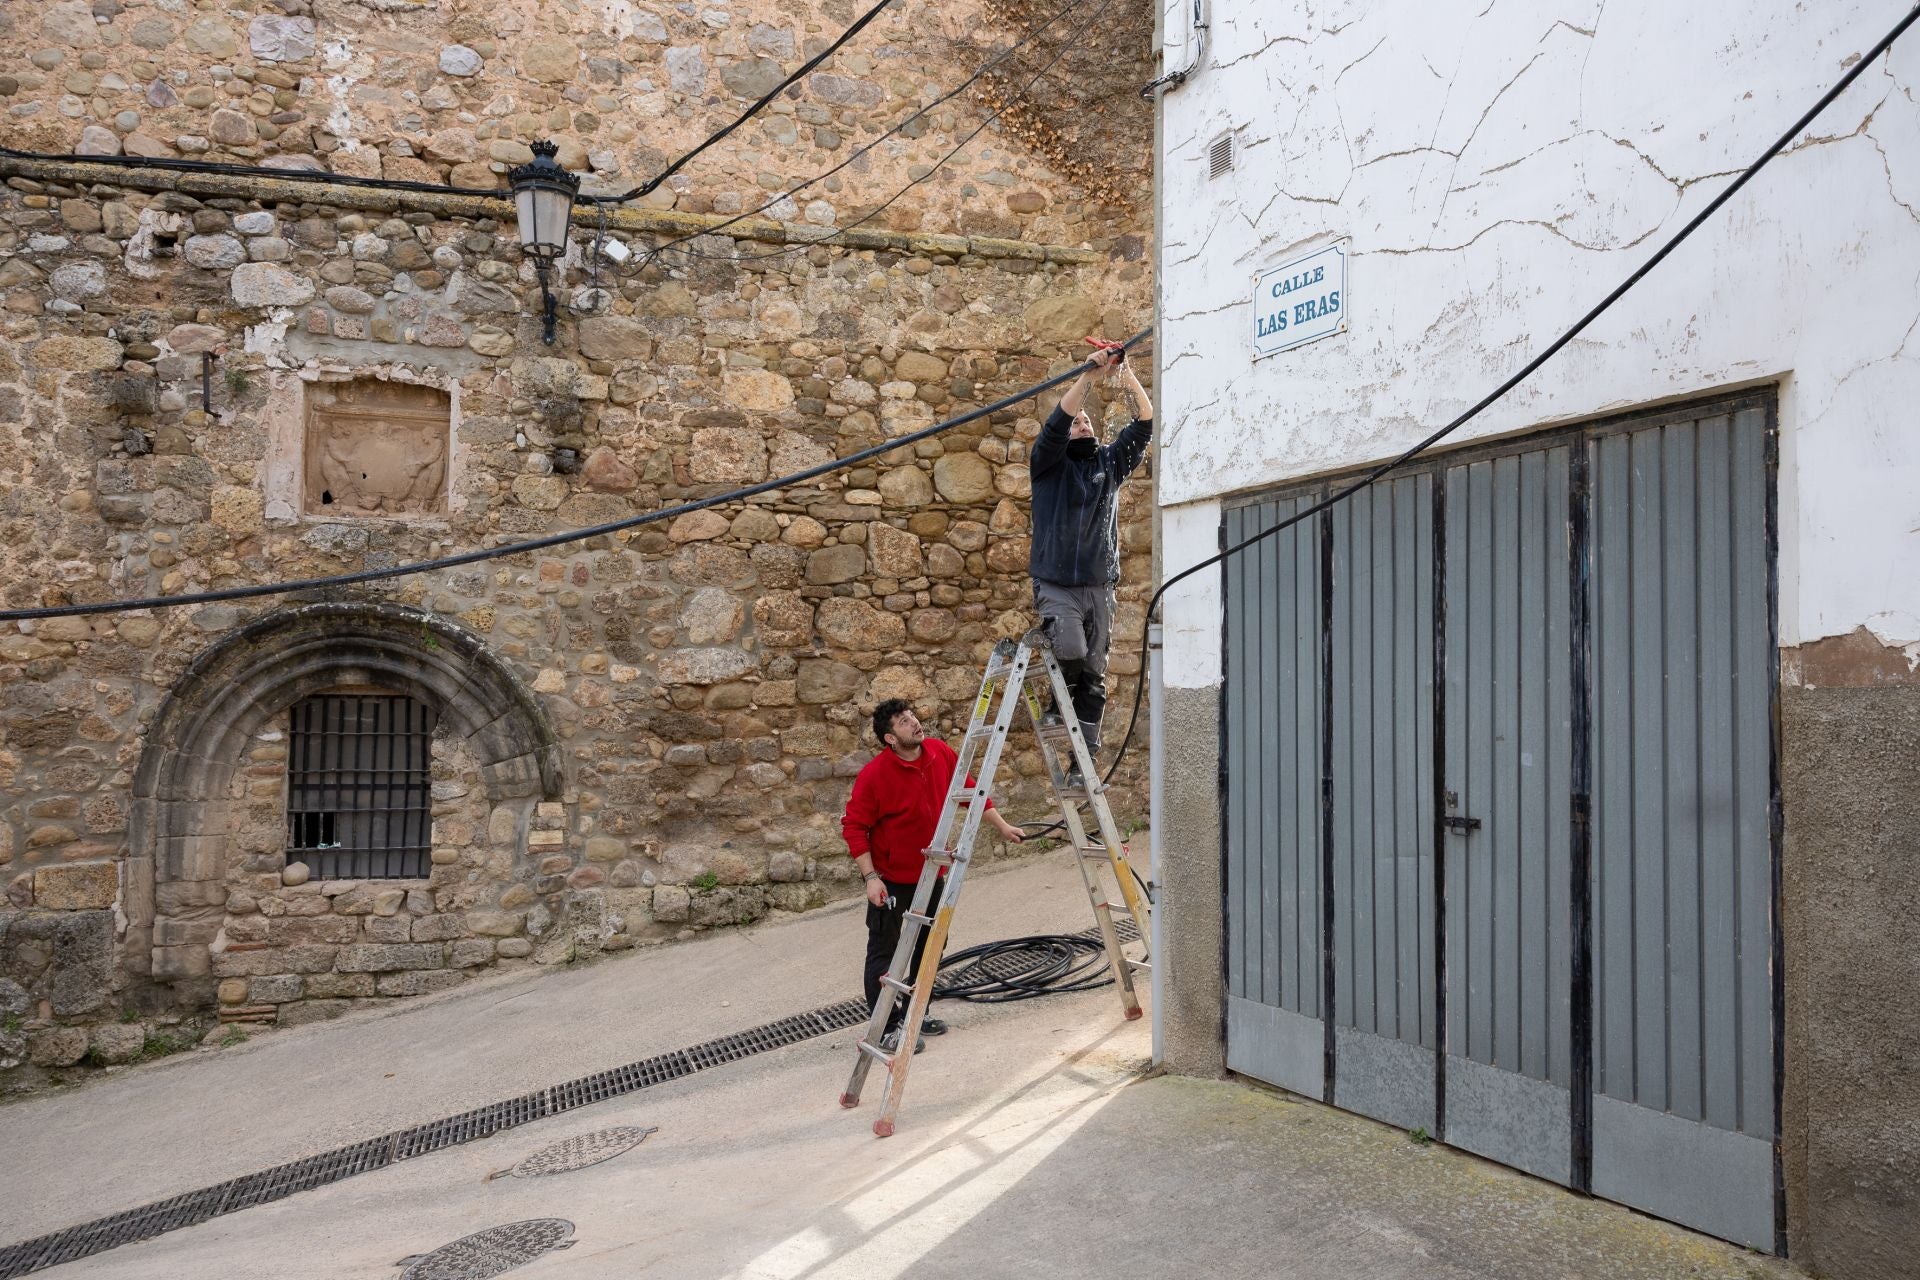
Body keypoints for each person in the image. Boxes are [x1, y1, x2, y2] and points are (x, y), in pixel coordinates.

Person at [842, 698, 1026, 1054]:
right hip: (892, 880)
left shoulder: (940, 753)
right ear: (889, 739)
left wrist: (1002, 827)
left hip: (933, 872)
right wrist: (871, 878)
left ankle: (914, 1014)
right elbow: (854, 827)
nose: (913, 723)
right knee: (885, 955)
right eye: (902, 721)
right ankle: (887, 1026)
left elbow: (971, 792)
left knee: (930, 949)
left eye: (912, 716)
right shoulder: (875, 776)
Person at [1028, 339, 1154, 783]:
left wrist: (1126, 375)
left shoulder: (1109, 465)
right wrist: (1089, 376)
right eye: (1076, 422)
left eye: (1086, 420)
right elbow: (1056, 423)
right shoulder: (1047, 466)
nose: (1080, 423)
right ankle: (1052, 707)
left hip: (1100, 584)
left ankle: (1084, 764)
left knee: (1095, 676)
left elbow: (1144, 423)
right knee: (1071, 648)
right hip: (1056, 581)